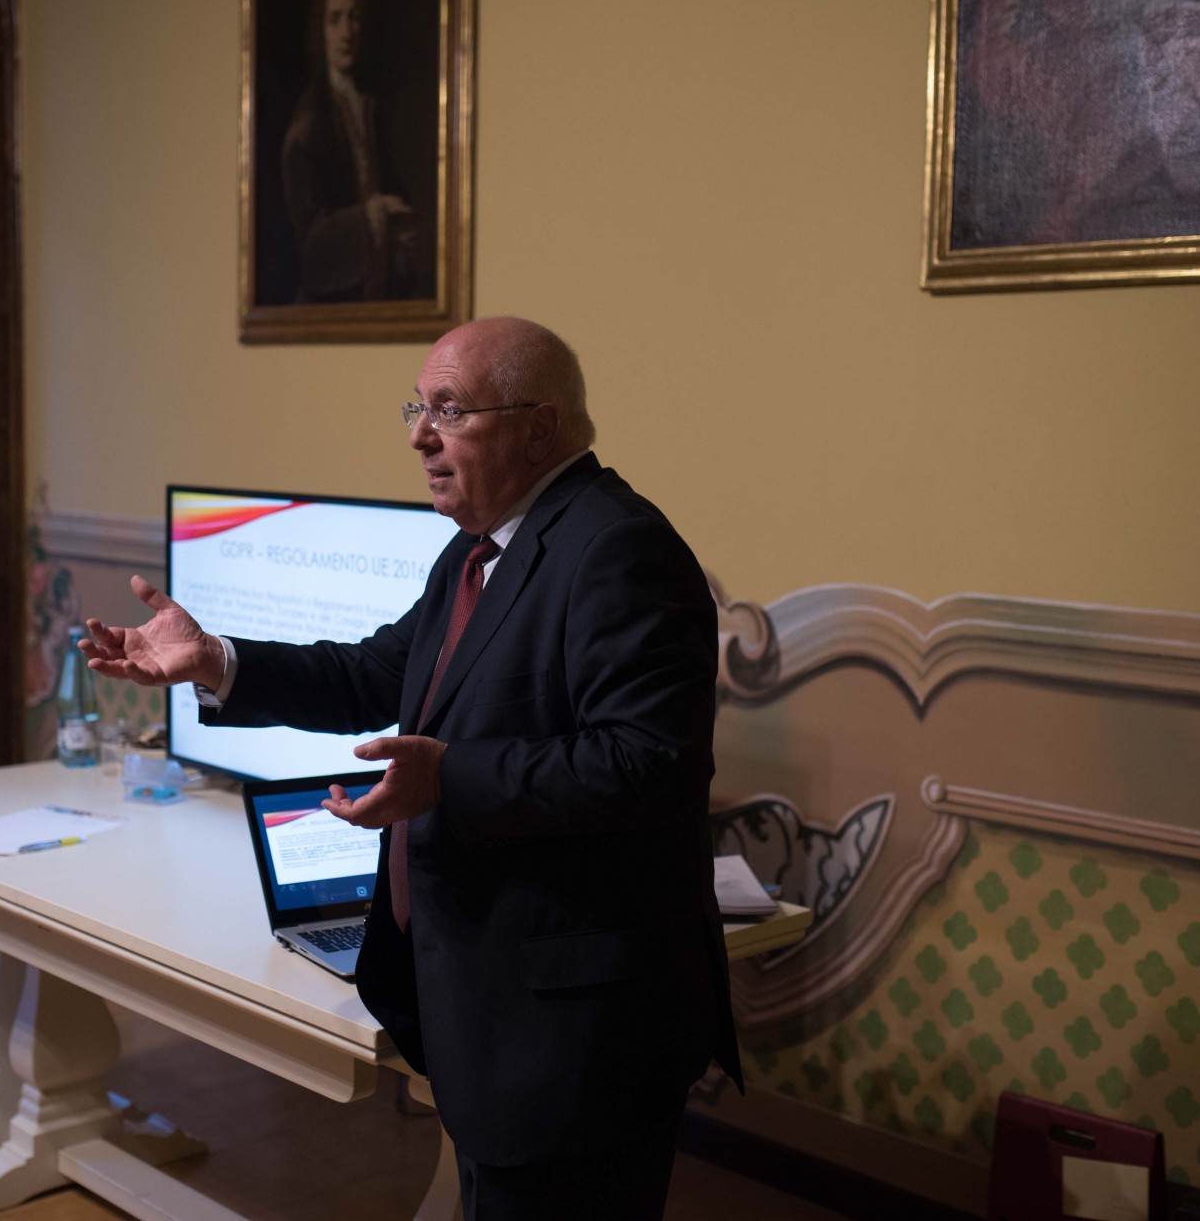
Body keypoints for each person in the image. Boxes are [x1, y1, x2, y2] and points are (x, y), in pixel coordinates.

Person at [80, 317, 739, 1219]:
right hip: (502, 1012)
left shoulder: (619, 548)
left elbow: (651, 765)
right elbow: (375, 672)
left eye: (450, 410)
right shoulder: (479, 548)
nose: (420, 436)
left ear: (539, 427)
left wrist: (449, 777)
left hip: (578, 1033)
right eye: (417, 409)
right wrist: (217, 661)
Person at [279, 0, 421, 302]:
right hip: (331, 302)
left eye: (354, 18)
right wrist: (374, 215)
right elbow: (311, 245)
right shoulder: (307, 126)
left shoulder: (370, 108)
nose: (346, 32)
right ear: (321, 30)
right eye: (335, 19)